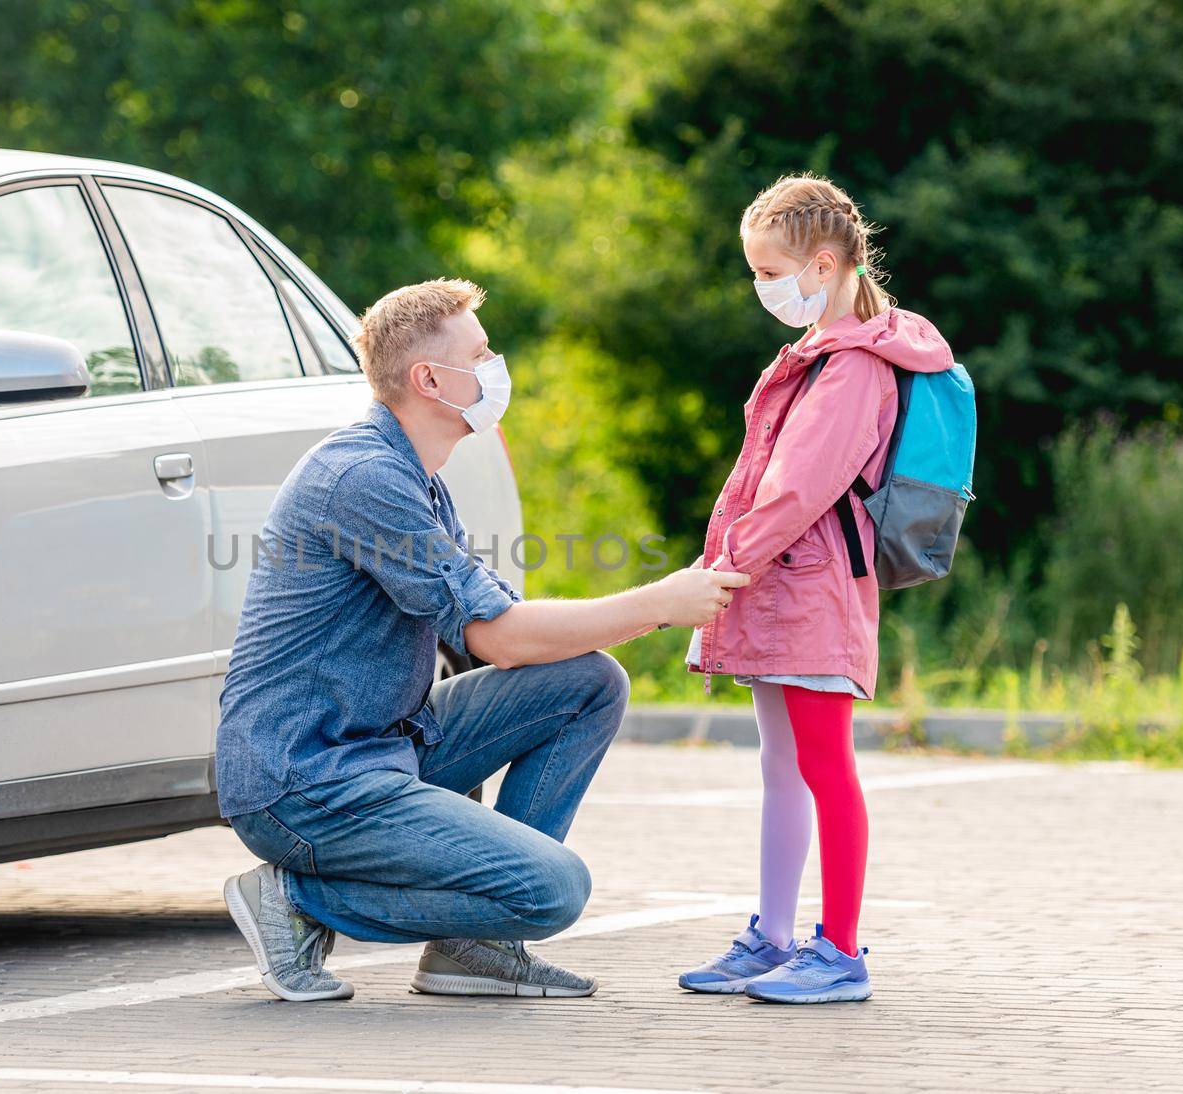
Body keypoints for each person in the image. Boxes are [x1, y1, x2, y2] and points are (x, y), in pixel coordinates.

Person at [217, 277, 748, 1002]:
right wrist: (660, 602)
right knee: (551, 890)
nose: (498, 367)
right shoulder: (363, 478)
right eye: (483, 353)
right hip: (306, 781)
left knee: (587, 682)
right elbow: (502, 640)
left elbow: (498, 632)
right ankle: (297, 902)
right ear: (429, 378)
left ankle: (474, 953)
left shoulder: (417, 476)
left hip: (381, 745)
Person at [677, 175, 957, 1004]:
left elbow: (800, 490)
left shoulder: (854, 368)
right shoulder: (816, 355)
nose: (762, 288)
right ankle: (772, 936)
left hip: (811, 590)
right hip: (782, 588)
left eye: (770, 271)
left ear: (824, 262)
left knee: (825, 767)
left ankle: (838, 952)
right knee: (781, 766)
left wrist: (723, 571)